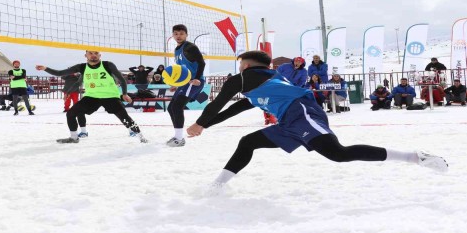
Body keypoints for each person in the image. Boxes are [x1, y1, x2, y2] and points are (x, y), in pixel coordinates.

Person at [185, 50, 448, 189]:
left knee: (338, 154)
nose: (238, 66)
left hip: (301, 112)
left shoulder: (247, 77)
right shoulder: (263, 82)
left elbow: (218, 103)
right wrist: (205, 125)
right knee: (248, 142)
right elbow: (236, 108)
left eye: (240, 62)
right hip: (290, 119)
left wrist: (201, 124)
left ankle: (417, 157)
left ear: (247, 64)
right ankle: (218, 186)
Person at [35, 50, 148, 143]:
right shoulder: (82, 67)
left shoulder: (107, 64)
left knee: (124, 117)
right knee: (71, 113)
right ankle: (74, 138)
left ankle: (141, 137)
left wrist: (124, 94)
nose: (93, 55)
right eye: (90, 53)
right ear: (86, 55)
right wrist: (45, 68)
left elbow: (122, 79)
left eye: (96, 53)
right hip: (91, 97)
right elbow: (60, 73)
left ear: (100, 55)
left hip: (110, 96)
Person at [166, 24, 206, 147]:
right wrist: (175, 84)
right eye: (176, 34)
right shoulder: (177, 49)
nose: (178, 36)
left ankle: (179, 139)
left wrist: (197, 79)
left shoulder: (190, 47)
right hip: (185, 82)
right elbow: (181, 70)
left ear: (186, 35)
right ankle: (178, 136)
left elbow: (201, 63)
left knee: (177, 106)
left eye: (181, 33)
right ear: (173, 35)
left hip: (194, 81)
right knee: (171, 108)